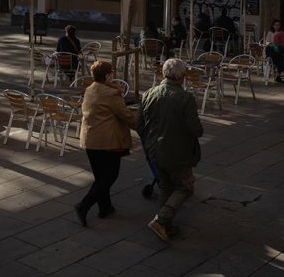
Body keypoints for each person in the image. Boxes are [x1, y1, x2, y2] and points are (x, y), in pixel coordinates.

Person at [137, 58, 203, 242]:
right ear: (181, 76)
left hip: (154, 150)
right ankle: (162, 219)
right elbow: (195, 129)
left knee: (165, 186)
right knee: (185, 187)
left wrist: (150, 141)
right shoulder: (185, 98)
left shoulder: (149, 93)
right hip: (177, 152)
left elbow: (139, 125)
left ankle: (164, 225)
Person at [74, 61, 135, 227]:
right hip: (108, 141)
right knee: (110, 175)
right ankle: (84, 205)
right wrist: (141, 125)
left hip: (90, 140)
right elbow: (127, 116)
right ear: (108, 76)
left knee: (100, 176)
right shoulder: (111, 93)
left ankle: (105, 207)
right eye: (111, 73)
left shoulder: (89, 89)